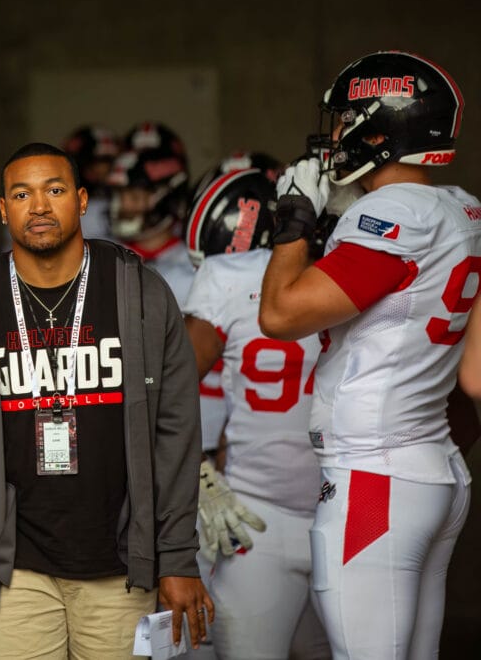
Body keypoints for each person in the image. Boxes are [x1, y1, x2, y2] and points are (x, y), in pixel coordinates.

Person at [0, 142, 212, 658]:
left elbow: (177, 430)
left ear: (80, 200)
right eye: (22, 194)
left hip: (121, 564)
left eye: (54, 190)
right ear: (3, 209)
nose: (40, 206)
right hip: (12, 571)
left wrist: (178, 557)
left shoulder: (139, 292)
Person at [259, 50, 478, 660]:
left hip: (377, 475)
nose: (333, 134)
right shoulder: (462, 208)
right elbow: (475, 377)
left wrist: (294, 224)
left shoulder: (392, 212)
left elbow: (279, 314)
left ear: (379, 126)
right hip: (433, 465)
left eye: (343, 119)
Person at [181, 167, 330, 660]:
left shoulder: (228, 277)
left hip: (264, 511)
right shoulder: (351, 263)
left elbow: (157, 388)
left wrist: (191, 465)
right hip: (345, 504)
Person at [106, 123, 228, 458]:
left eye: (133, 196)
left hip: (199, 430)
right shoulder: (104, 259)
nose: (123, 206)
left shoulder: (199, 268)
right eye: (119, 196)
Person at [61, 124, 120, 241]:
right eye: (100, 161)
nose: (106, 168)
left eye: (109, 161)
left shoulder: (122, 199)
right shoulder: (61, 204)